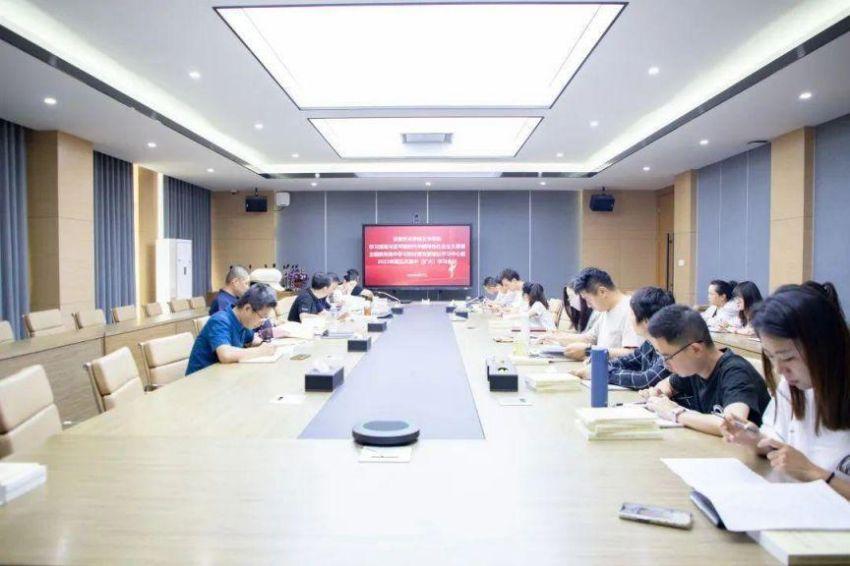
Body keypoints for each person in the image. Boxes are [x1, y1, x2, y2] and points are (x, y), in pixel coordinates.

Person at [720, 283, 850, 499]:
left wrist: (813, 473)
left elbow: (804, 467)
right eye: (771, 357)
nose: (780, 370)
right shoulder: (793, 386)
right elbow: (779, 446)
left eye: (788, 358)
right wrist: (755, 440)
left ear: (825, 346)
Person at [639, 305, 771, 436]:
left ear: (695, 350)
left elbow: (733, 425)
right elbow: (667, 384)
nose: (665, 364)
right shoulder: (695, 366)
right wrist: (659, 395)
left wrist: (676, 413)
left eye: (668, 357)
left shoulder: (736, 372)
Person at [574, 286, 675, 389]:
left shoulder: (671, 349)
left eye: (631, 314)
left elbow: (645, 380)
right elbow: (625, 362)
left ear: (646, 321)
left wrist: (600, 372)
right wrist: (598, 365)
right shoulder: (648, 344)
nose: (629, 319)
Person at [547, 267, 642, 360]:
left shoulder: (630, 310)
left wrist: (588, 351)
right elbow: (590, 338)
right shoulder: (605, 310)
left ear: (602, 292)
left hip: (616, 369)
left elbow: (633, 354)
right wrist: (556, 338)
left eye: (588, 299)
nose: (588, 305)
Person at [186, 283, 277, 375]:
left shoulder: (244, 322)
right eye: (262, 317)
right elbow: (225, 355)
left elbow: (253, 340)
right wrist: (260, 351)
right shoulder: (220, 320)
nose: (263, 322)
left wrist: (268, 342)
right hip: (200, 378)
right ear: (247, 308)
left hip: (221, 374)